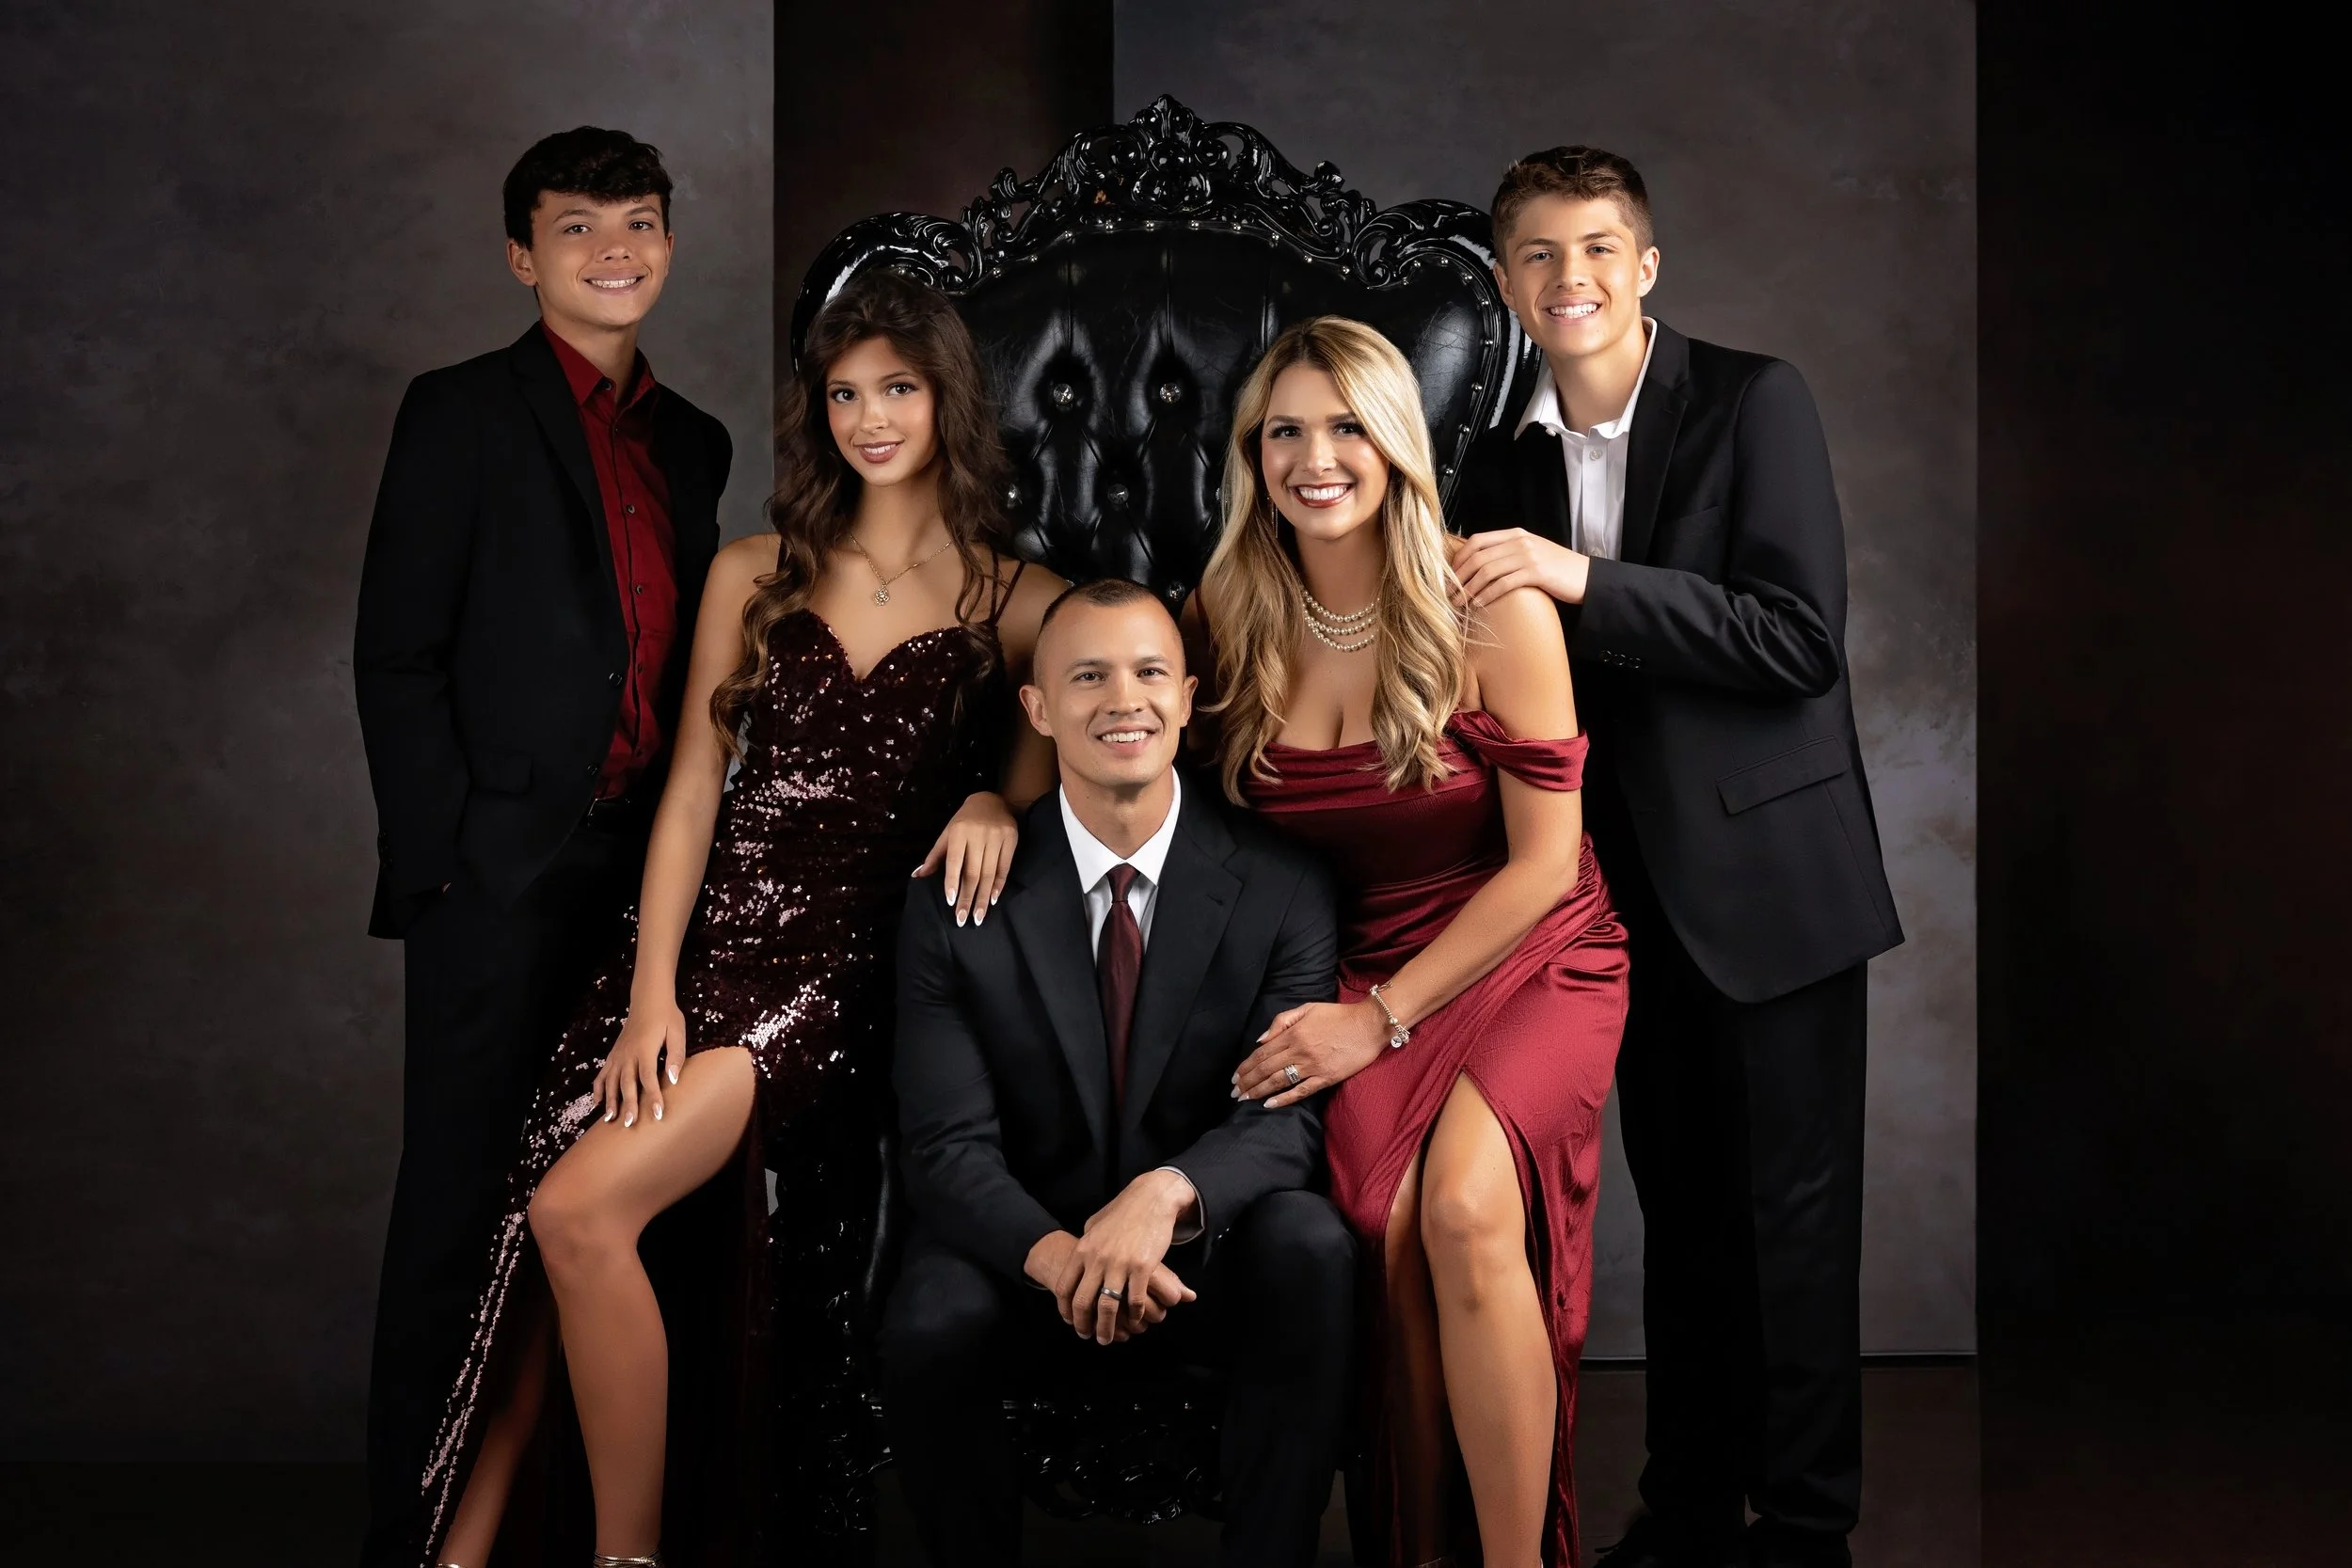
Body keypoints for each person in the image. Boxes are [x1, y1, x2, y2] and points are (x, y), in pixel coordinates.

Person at [411, 267, 1066, 1568]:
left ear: (948, 399)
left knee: (580, 1213)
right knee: (535, 1228)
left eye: (897, 389)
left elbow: (1042, 784)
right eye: (842, 394)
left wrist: (997, 791)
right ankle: (461, 1550)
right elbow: (695, 788)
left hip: (832, 975)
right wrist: (652, 985)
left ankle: (630, 1553)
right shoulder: (757, 568)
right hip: (696, 942)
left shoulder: (1020, 599)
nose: (869, 418)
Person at [1451, 148, 1905, 1568]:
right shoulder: (1497, 451)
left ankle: (1808, 1522)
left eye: (1596, 248)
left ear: (1646, 266)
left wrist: (1583, 577)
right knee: (1685, 1217)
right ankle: (1692, 1498)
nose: (1568, 276)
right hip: (1609, 894)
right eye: (1536, 253)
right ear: (1509, 281)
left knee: (1795, 1222)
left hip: (1774, 890)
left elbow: (1798, 640)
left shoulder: (1755, 398)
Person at [353, 126, 736, 1568]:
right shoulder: (456, 412)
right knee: (458, 1208)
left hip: (647, 885)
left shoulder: (692, 440)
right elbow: (395, 652)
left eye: (637, 223)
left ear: (669, 242)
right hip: (494, 879)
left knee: (613, 1203)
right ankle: (415, 1528)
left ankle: (591, 1518)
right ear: (526, 256)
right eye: (578, 230)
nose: (614, 252)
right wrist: (446, 856)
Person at [1197, 316, 1629, 1568]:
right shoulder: (1226, 615)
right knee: (1385, 1230)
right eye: (1283, 430)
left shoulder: (1484, 606)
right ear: (1252, 453)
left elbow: (1548, 861)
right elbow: (1095, 719)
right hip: (1360, 959)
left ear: (1394, 441)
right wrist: (986, 799)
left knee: (1460, 1207)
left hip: (1535, 944)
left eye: (1344, 426)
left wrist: (1375, 1017)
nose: (1313, 457)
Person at [882, 578, 1355, 1568]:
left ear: (1187, 695)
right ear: (1038, 708)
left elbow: (1286, 1122)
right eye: (1087, 676)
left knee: (1309, 1241)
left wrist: (1167, 1196)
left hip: (1200, 1259)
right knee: (928, 1304)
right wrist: (1063, 1257)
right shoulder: (960, 892)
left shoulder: (1284, 883)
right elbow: (943, 1146)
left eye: (1147, 673)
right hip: (1024, 1259)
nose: (1122, 699)